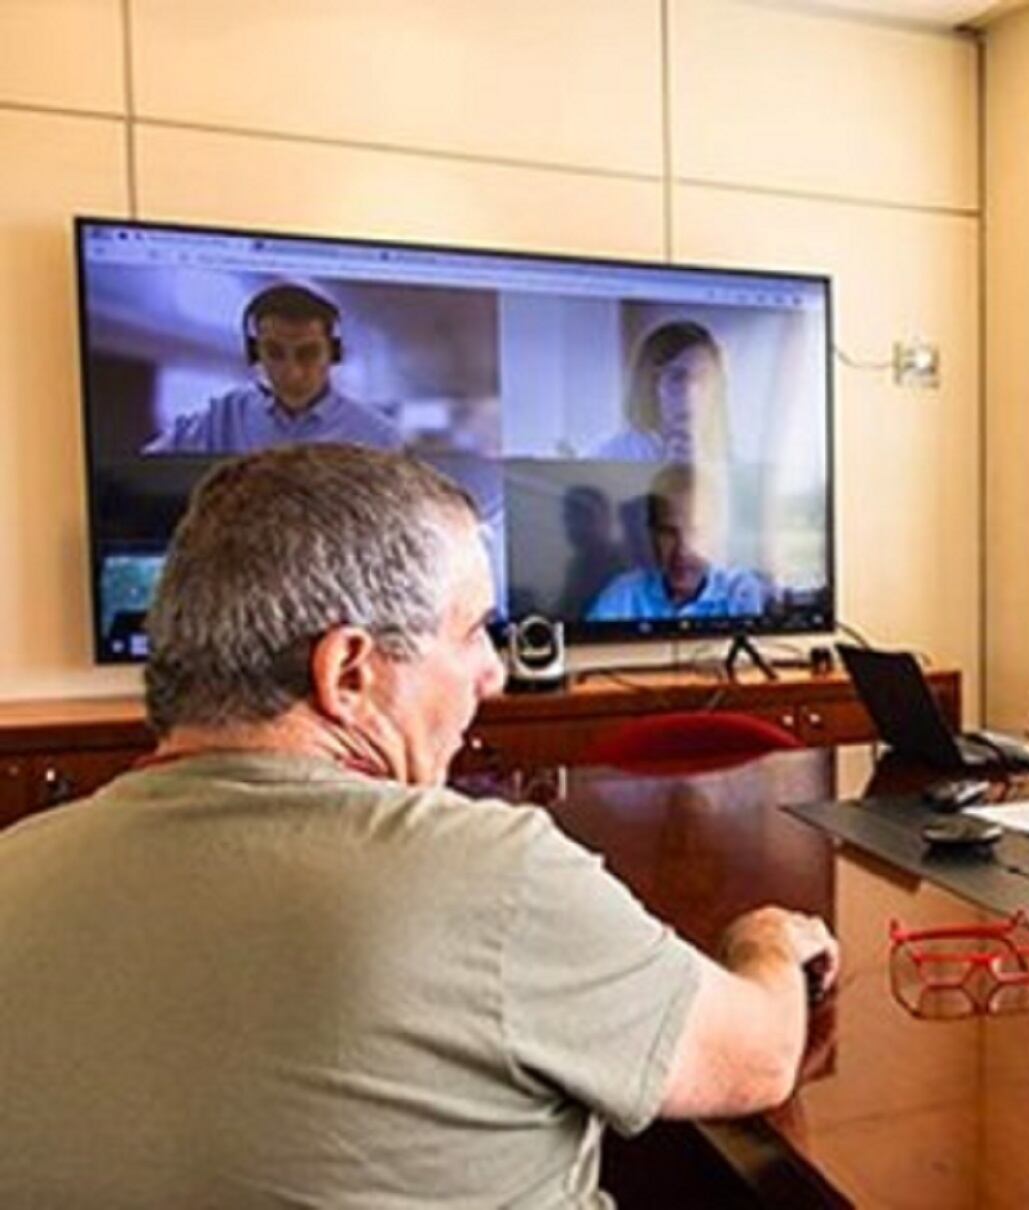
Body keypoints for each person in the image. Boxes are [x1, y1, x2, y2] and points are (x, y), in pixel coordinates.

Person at [0, 445, 836, 1205]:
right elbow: (757, 1059)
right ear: (350, 673)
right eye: (472, 630)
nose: (494, 674)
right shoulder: (490, 876)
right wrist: (766, 943)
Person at [143, 282, 403, 454]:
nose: (291, 372)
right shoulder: (224, 416)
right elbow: (146, 468)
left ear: (333, 353)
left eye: (308, 353)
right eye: (275, 353)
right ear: (255, 351)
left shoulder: (378, 437)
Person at [587, 462, 770, 621]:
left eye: (696, 532)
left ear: (716, 534)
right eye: (668, 532)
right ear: (651, 534)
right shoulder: (623, 594)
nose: (682, 550)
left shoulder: (739, 591)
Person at [592, 320, 723, 461]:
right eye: (677, 378)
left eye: (704, 377)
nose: (692, 393)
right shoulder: (609, 456)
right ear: (648, 383)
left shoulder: (731, 458)